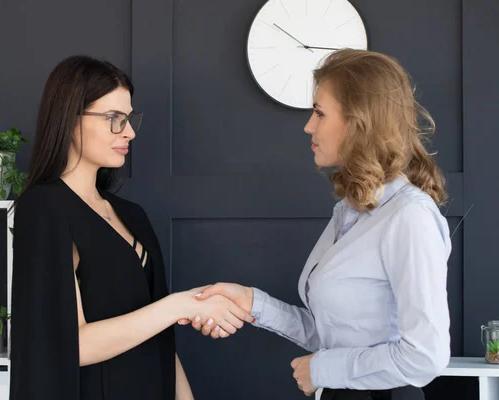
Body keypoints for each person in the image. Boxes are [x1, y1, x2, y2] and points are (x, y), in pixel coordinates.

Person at [188, 49, 452, 400]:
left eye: (319, 113)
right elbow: (331, 333)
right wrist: (253, 302)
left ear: (359, 121)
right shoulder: (350, 212)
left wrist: (322, 369)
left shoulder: (409, 216)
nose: (308, 125)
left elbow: (425, 358)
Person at [8, 55, 254, 400]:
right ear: (69, 120)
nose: (130, 131)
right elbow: (69, 345)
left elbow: (160, 340)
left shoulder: (131, 214)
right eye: (114, 119)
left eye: (128, 118)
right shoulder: (44, 207)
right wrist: (181, 305)